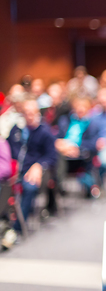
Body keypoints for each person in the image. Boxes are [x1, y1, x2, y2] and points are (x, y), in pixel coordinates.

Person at [7, 98, 57, 232]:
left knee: (29, 186)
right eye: (26, 112)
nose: (29, 116)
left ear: (37, 113)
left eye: (32, 112)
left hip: (31, 172)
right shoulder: (16, 130)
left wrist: (39, 165)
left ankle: (17, 229)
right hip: (12, 172)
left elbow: (52, 156)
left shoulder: (45, 132)